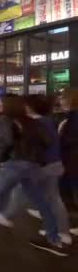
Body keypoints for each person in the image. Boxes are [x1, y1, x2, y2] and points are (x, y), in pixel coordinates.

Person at [0, 95, 68, 257]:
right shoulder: (32, 121)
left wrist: (1, 137)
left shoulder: (6, 120)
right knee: (42, 202)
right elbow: (47, 141)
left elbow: (6, 142)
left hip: (14, 164)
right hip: (32, 166)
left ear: (8, 106)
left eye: (0, 102)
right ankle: (53, 239)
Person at [0, 95, 72, 244]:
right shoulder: (47, 121)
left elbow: (25, 146)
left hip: (42, 166)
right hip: (53, 164)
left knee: (21, 191)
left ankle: (6, 216)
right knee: (51, 197)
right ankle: (62, 231)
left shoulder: (35, 123)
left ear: (29, 107)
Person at [58, 89, 78, 218]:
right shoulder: (70, 116)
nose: (60, 101)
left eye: (62, 98)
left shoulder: (74, 117)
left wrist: (60, 138)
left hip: (73, 159)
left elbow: (72, 138)